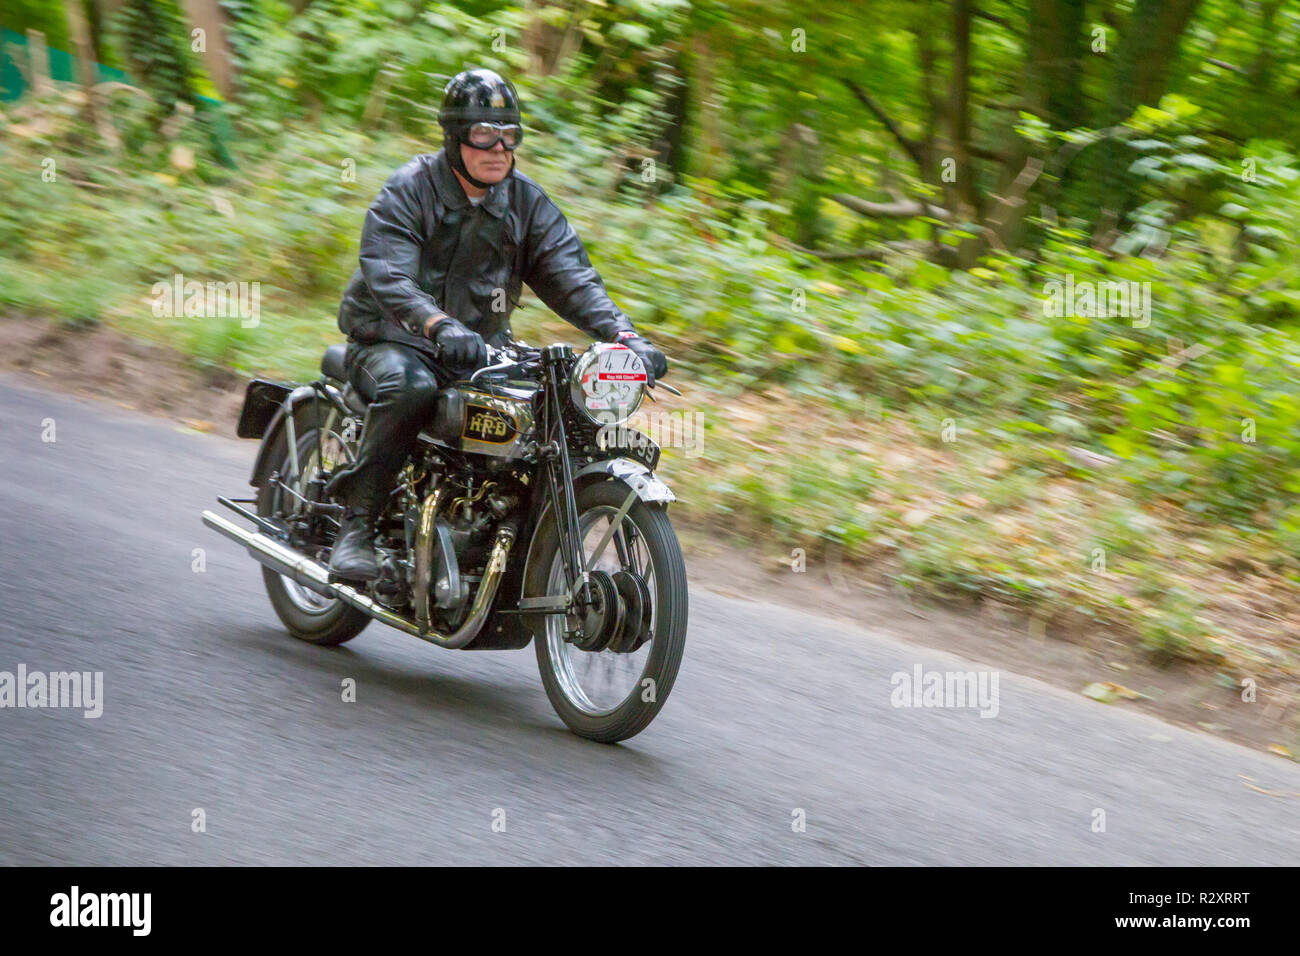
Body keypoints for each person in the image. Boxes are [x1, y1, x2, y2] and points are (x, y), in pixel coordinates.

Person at [325, 67, 668, 583]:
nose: (499, 147)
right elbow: (389, 274)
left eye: (509, 135)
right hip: (391, 339)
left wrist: (625, 337)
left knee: (551, 409)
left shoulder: (525, 203)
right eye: (484, 134)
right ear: (454, 135)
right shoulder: (409, 190)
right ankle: (357, 527)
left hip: (480, 350)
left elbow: (571, 277)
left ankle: (494, 535)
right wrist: (437, 324)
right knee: (411, 388)